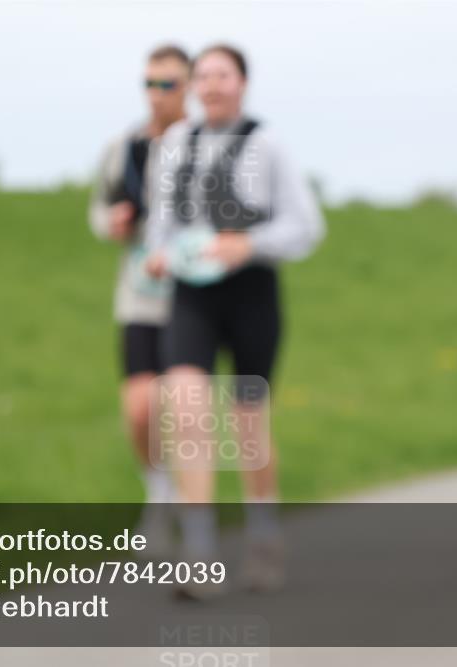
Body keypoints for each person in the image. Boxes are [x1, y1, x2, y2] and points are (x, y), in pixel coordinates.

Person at [145, 44, 325, 595]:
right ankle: (198, 551)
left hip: (251, 291)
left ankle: (264, 536)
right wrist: (158, 254)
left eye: (223, 75)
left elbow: (306, 226)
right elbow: (162, 220)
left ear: (243, 83)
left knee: (248, 425)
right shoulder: (176, 144)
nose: (213, 85)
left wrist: (247, 245)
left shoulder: (267, 145)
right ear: (194, 86)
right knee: (186, 408)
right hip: (191, 293)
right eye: (204, 76)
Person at [88, 45, 189, 549]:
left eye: (168, 84)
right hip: (139, 293)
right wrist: (115, 223)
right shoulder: (125, 146)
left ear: (187, 87)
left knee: (184, 403)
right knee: (140, 407)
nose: (157, 94)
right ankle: (158, 490)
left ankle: (197, 516)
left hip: (193, 295)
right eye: (150, 83)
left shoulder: (202, 145)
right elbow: (99, 212)